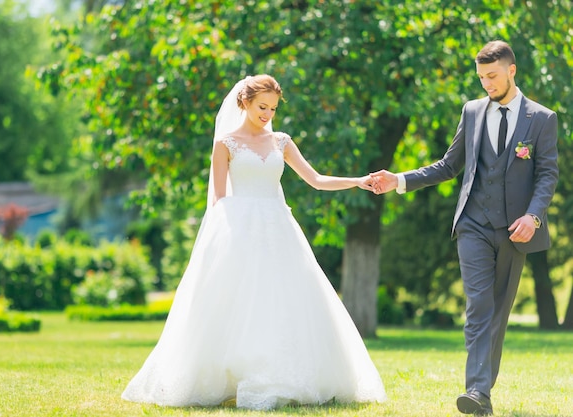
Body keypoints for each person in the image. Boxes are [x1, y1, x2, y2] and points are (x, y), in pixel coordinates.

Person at [121, 74, 387, 410]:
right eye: (262, 106)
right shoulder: (225, 144)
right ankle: (228, 379)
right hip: (239, 230)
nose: (267, 114)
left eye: (273, 108)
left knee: (285, 301)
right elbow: (218, 198)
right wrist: (221, 243)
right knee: (237, 303)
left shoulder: (282, 141)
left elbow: (316, 180)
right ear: (244, 102)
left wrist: (359, 181)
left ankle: (284, 376)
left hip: (279, 230)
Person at [370, 40, 558, 416]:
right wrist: (400, 180)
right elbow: (448, 165)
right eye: (481, 78)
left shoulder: (542, 118)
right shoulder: (472, 112)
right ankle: (476, 392)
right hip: (472, 223)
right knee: (478, 307)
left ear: (511, 70)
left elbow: (547, 174)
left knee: (498, 311)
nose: (486, 84)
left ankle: (481, 392)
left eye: (492, 76)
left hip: (514, 230)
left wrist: (533, 216)